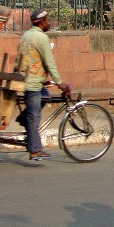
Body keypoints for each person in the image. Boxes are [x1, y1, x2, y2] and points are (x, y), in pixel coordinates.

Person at [16, 9, 70, 161]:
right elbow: (49, 62)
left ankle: (23, 118)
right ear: (41, 22)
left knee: (45, 96)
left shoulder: (26, 35)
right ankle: (34, 150)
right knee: (34, 115)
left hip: (28, 77)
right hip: (32, 83)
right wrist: (60, 83)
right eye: (47, 20)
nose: (49, 23)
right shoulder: (42, 38)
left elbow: (26, 58)